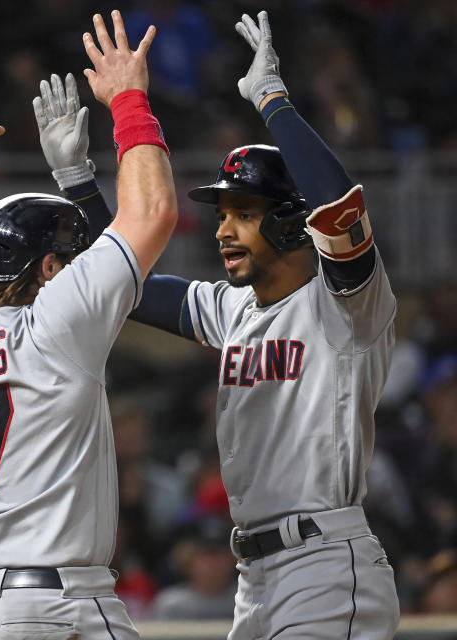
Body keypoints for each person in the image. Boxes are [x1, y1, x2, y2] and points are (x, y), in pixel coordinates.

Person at [37, 10, 400, 638]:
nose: (223, 228)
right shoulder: (232, 307)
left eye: (243, 213)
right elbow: (128, 282)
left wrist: (273, 102)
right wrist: (78, 184)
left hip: (324, 566)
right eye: (222, 212)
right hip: (254, 578)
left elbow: (340, 209)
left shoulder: (346, 304)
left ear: (291, 222)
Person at [0, 10, 178, 639]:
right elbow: (152, 212)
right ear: (50, 265)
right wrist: (128, 100)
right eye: (70, 258)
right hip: (57, 603)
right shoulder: (58, 323)